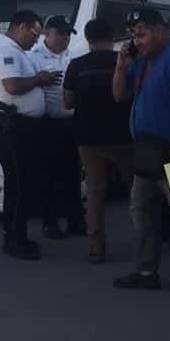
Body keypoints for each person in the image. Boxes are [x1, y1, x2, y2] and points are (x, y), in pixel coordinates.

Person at [111, 7, 170, 291]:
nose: (137, 41)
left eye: (141, 34)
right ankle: (145, 272)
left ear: (160, 30)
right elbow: (118, 94)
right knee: (141, 209)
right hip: (147, 153)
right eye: (133, 35)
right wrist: (120, 66)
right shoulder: (143, 59)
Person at [0, 10, 57, 260]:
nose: (36, 40)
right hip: (10, 125)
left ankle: (19, 235)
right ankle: (14, 239)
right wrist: (38, 80)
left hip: (20, 126)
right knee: (17, 183)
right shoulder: (7, 51)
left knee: (23, 183)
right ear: (22, 27)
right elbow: (13, 86)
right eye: (35, 34)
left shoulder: (17, 52)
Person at [61, 19, 132, 264]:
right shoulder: (124, 62)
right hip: (124, 137)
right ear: (112, 37)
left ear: (88, 39)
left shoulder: (77, 66)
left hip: (88, 138)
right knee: (139, 190)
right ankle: (149, 238)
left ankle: (96, 247)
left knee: (94, 193)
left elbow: (68, 102)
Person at [31, 15, 85, 241]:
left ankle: (75, 220)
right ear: (47, 33)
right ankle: (50, 222)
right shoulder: (32, 58)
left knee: (73, 174)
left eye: (67, 34)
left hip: (71, 122)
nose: (64, 38)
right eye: (60, 33)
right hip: (47, 123)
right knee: (49, 176)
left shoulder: (71, 57)